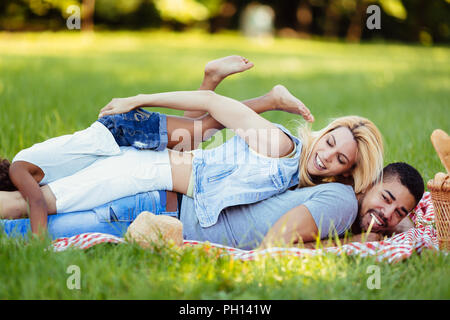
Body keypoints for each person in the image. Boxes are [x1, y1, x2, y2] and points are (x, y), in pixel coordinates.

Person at [0, 57, 384, 237]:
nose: (327, 155)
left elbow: (213, 122)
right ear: (324, 132)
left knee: (36, 190)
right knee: (39, 201)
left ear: (344, 172)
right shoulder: (285, 147)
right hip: (144, 171)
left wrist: (389, 217)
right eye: (330, 142)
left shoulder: (300, 179)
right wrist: (139, 97)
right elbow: (218, 108)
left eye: (339, 159)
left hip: (159, 168)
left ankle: (221, 79)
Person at [1, 162, 425, 251]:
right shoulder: (341, 206)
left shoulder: (347, 214)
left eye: (400, 212)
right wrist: (354, 239)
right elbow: (276, 248)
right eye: (387, 199)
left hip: (162, 211)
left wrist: (397, 226)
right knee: (22, 236)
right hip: (159, 214)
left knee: (32, 220)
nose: (387, 215)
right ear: (368, 185)